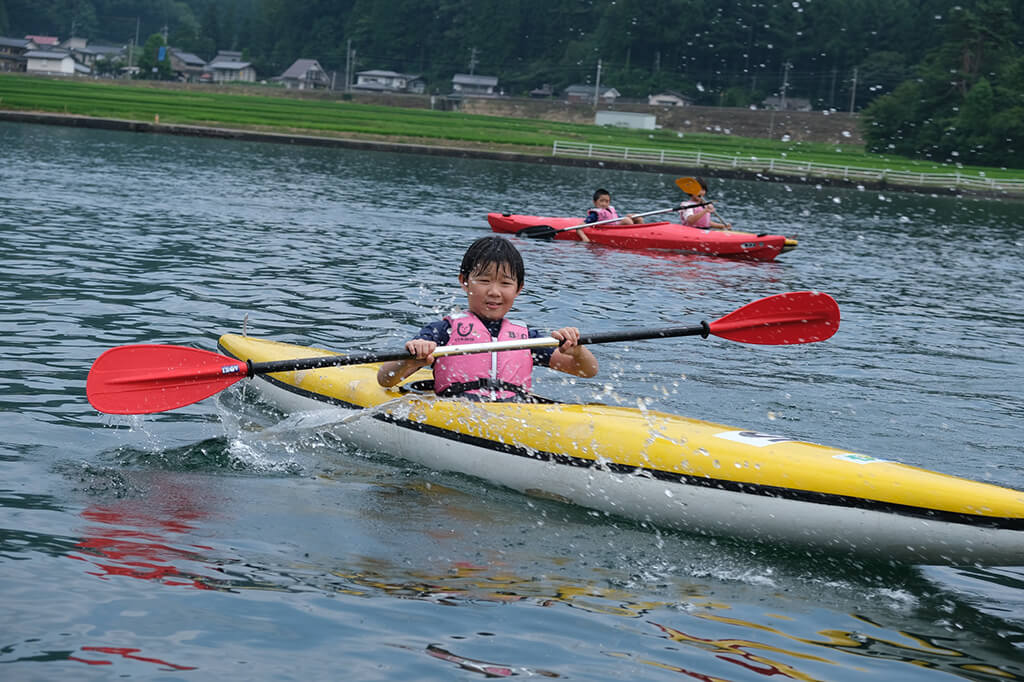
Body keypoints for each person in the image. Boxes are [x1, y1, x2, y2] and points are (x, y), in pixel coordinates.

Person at [376, 236, 598, 400]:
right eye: (484, 280)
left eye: (505, 283)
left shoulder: (526, 338)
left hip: (516, 415)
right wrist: (413, 356)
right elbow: (386, 379)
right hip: (457, 412)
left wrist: (577, 350)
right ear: (464, 281)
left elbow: (587, 371)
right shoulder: (443, 332)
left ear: (518, 288)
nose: (494, 292)